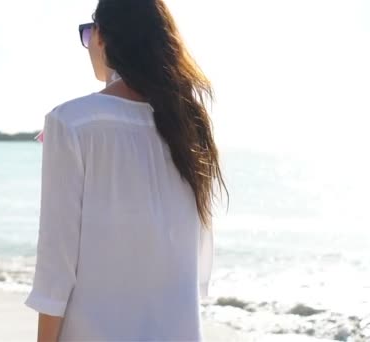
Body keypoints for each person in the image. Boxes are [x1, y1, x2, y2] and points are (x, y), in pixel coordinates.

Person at [24, 1, 228, 341]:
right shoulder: (190, 126)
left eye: (88, 33)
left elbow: (55, 270)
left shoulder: (71, 123)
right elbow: (198, 270)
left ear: (101, 35)